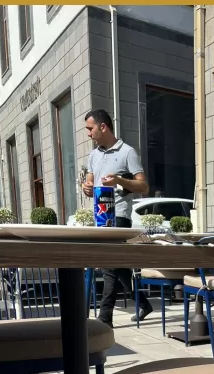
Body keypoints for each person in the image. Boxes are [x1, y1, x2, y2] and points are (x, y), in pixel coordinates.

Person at [82, 109, 153, 327]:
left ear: (103, 127)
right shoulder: (93, 155)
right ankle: (144, 303)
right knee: (119, 267)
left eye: (90, 129)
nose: (88, 133)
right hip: (100, 217)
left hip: (119, 216)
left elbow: (144, 186)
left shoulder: (127, 152)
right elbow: (90, 182)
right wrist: (86, 187)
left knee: (109, 266)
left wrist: (119, 181)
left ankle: (105, 318)